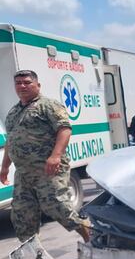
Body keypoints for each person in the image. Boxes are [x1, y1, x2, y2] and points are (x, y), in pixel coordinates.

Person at [0, 70, 90, 242]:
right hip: (24, 173)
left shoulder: (48, 105)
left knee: (57, 207)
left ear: (37, 85)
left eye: (27, 82)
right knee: (22, 214)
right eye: (18, 83)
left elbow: (64, 129)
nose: (22, 86)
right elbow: (10, 141)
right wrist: (5, 167)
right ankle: (31, 255)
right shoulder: (13, 112)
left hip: (48, 169)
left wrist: (56, 156)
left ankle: (91, 237)